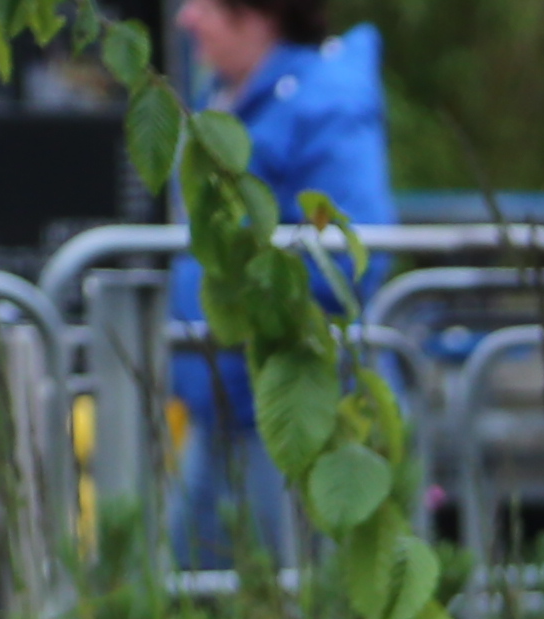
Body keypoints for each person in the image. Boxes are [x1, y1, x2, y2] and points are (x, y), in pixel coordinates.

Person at [164, 0, 394, 568]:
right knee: (195, 603)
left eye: (205, 4)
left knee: (303, 609)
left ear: (260, 11)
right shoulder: (219, 97)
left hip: (299, 404)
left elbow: (353, 253)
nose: (185, 18)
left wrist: (254, 305)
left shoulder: (326, 100)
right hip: (222, 404)